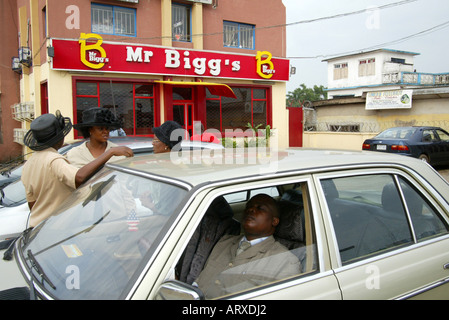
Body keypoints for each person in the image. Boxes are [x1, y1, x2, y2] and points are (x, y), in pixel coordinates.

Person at [21, 111, 133, 228]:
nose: (105, 132)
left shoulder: (29, 164)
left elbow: (33, 204)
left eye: (108, 128)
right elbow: (78, 178)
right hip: (73, 224)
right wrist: (110, 153)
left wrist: (132, 218)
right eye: (100, 128)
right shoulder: (62, 158)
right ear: (90, 130)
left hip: (114, 217)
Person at [194, 194, 301, 299]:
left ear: (274, 221)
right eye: (249, 207)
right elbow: (198, 283)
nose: (251, 210)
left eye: (260, 208)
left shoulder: (285, 262)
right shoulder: (224, 241)